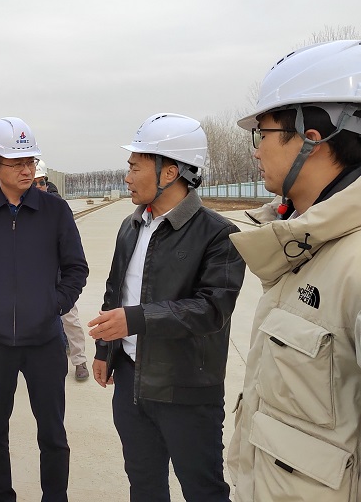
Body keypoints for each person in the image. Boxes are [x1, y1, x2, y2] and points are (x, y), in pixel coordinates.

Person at [227, 40, 361, 501]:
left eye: (262, 134)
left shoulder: (353, 264)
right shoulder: (303, 246)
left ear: (312, 136)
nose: (257, 152)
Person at [88, 113, 245, 502]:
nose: (127, 176)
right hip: (131, 382)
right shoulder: (131, 226)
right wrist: (105, 350)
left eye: (135, 167)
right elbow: (116, 291)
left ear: (170, 172)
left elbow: (212, 309)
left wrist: (137, 319)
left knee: (203, 490)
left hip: (186, 389)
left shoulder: (219, 234)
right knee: (143, 484)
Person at [0, 117, 88, 502]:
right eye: (17, 163)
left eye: (30, 161)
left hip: (45, 342)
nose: (27, 169)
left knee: (53, 434)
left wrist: (53, 305)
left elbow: (76, 268)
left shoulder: (55, 211)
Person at [33, 160, 89, 382]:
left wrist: (68, 283)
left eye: (42, 182)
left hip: (58, 278)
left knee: (70, 319)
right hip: (35, 279)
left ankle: (80, 361)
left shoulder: (58, 208)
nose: (39, 187)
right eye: (35, 183)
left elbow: (72, 250)